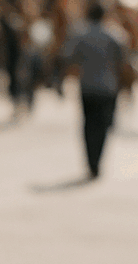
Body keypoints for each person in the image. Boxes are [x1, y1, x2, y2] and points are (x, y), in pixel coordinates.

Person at [62, 1, 127, 178]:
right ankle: (97, 160)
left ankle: (91, 162)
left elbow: (69, 56)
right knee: (103, 125)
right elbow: (123, 59)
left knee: (88, 124)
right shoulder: (115, 34)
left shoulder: (80, 33)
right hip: (108, 87)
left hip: (87, 86)